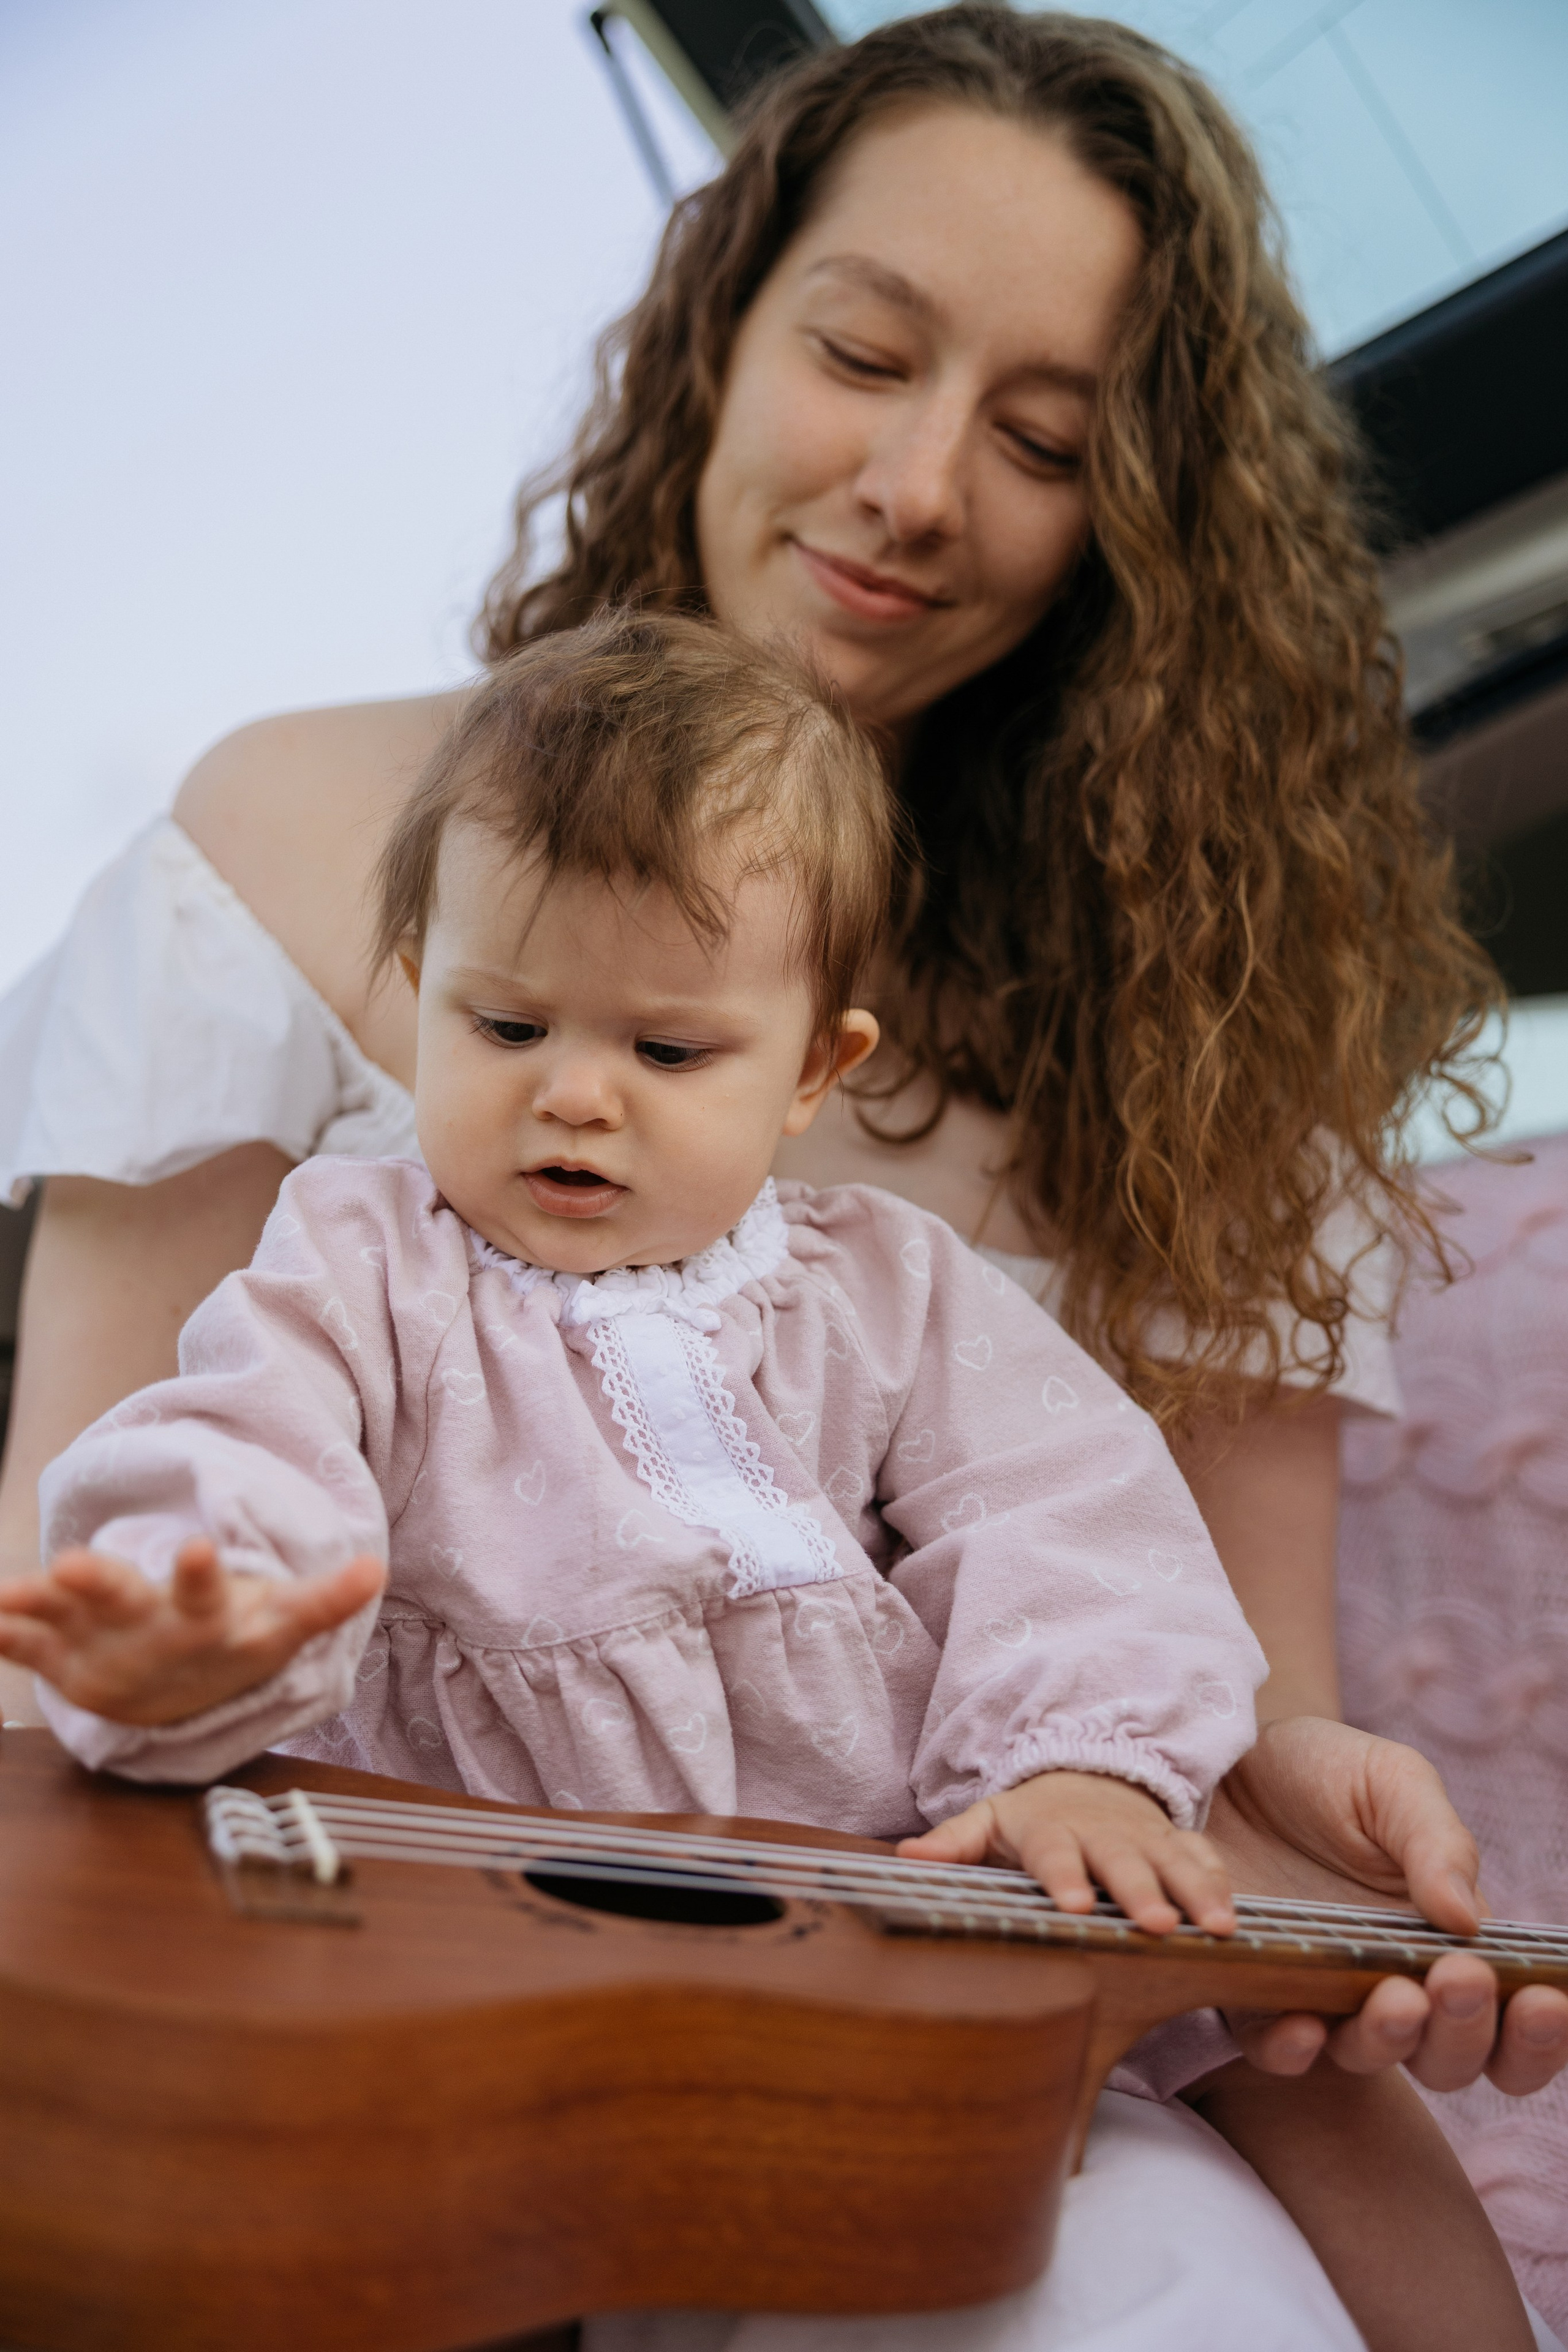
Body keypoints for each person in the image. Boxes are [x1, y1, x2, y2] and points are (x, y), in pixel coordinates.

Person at [0, 2, 1564, 2340]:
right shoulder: (294, 872)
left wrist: (1270, 1810)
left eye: (1046, 438)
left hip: (944, 2054)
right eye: (862, 350)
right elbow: (102, 1586)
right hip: (351, 2026)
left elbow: (1198, 1698)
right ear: (720, 327)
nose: (922, 488)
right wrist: (181, 1616)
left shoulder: (1201, 1052)